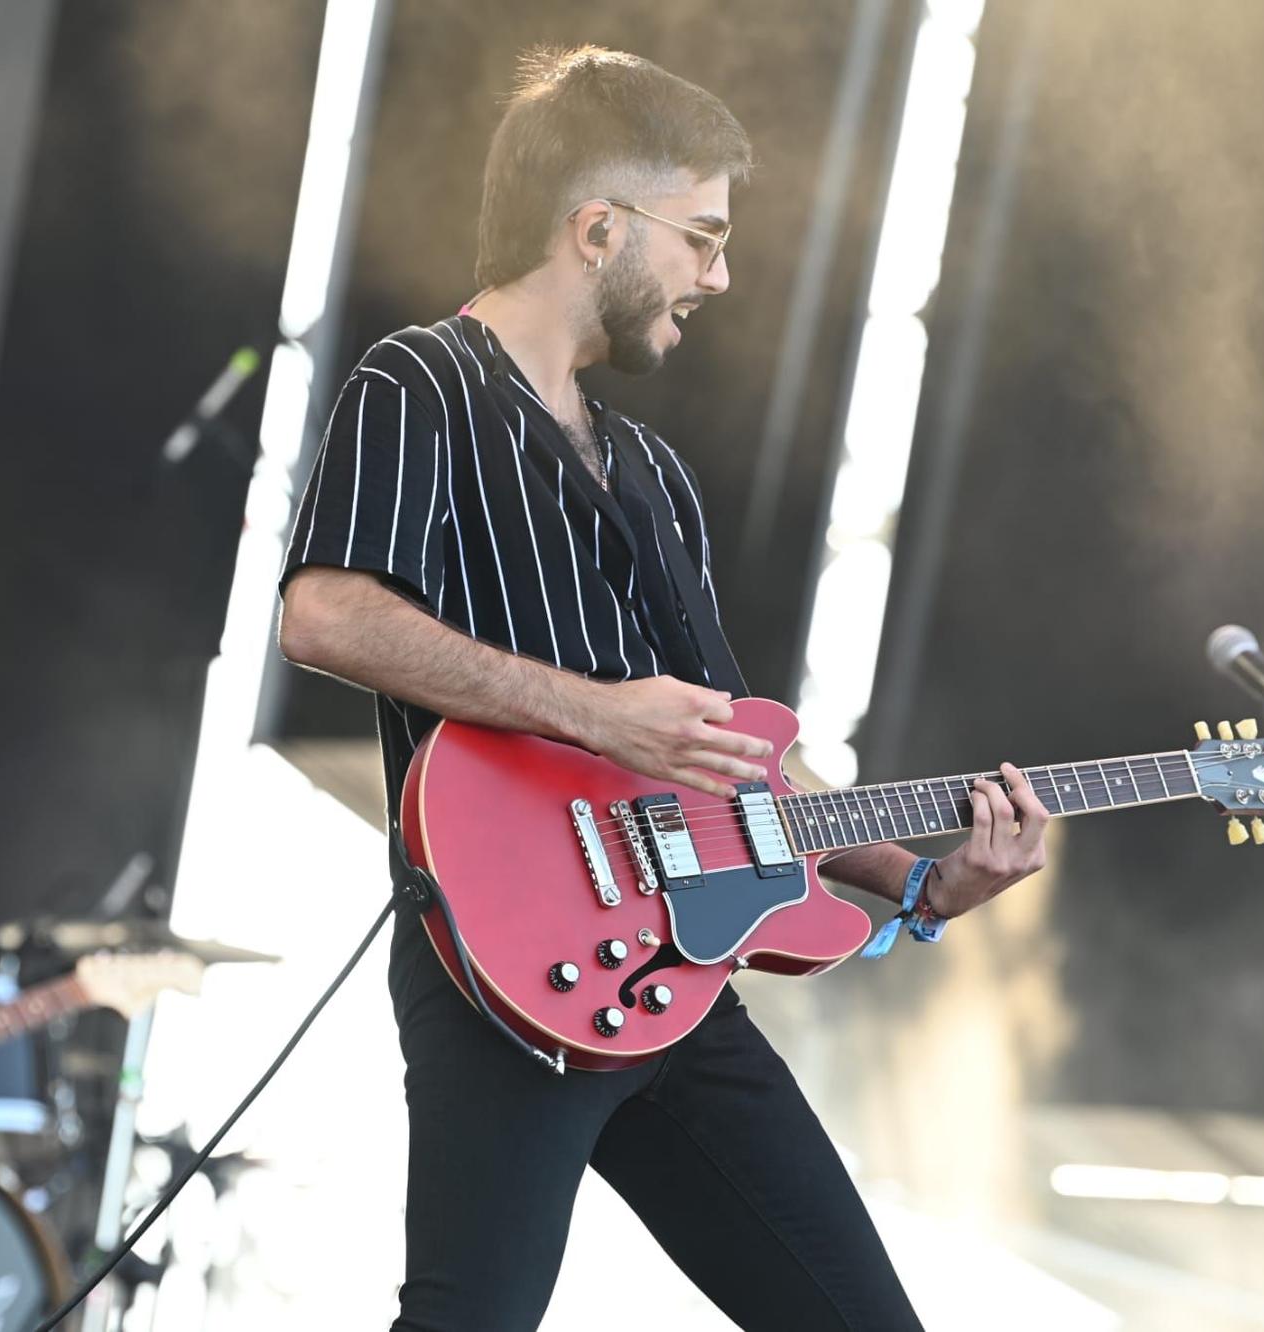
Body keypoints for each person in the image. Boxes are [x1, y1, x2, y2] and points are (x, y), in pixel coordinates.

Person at [277, 46, 1051, 1331]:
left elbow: (738, 764)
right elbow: (324, 614)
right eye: (698, 237)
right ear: (595, 228)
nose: (718, 276)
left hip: (671, 973)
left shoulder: (650, 471)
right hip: (503, 963)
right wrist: (592, 710)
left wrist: (918, 884)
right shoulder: (417, 383)